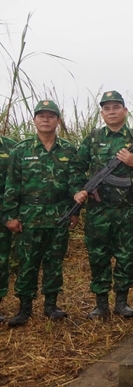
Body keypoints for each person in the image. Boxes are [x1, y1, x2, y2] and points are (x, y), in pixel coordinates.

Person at [72, 91, 133, 319]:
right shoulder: (93, 138)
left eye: (116, 107)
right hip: (98, 210)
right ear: (102, 113)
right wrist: (78, 190)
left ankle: (122, 302)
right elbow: (76, 168)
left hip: (127, 210)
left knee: (126, 255)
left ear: (125, 110)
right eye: (107, 108)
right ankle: (101, 303)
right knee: (98, 255)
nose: (111, 112)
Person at [2, 100, 77, 327]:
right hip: (29, 216)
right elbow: (12, 184)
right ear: (34, 120)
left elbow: (74, 184)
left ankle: (51, 306)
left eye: (50, 116)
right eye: (41, 116)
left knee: (54, 262)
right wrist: (10, 215)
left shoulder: (68, 150)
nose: (46, 119)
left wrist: (75, 212)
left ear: (58, 121)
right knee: (27, 263)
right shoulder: (21, 150)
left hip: (59, 215)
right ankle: (24, 308)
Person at [0, 134, 16, 323]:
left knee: (1, 260)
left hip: (2, 212)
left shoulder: (12, 147)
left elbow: (16, 182)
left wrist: (12, 214)